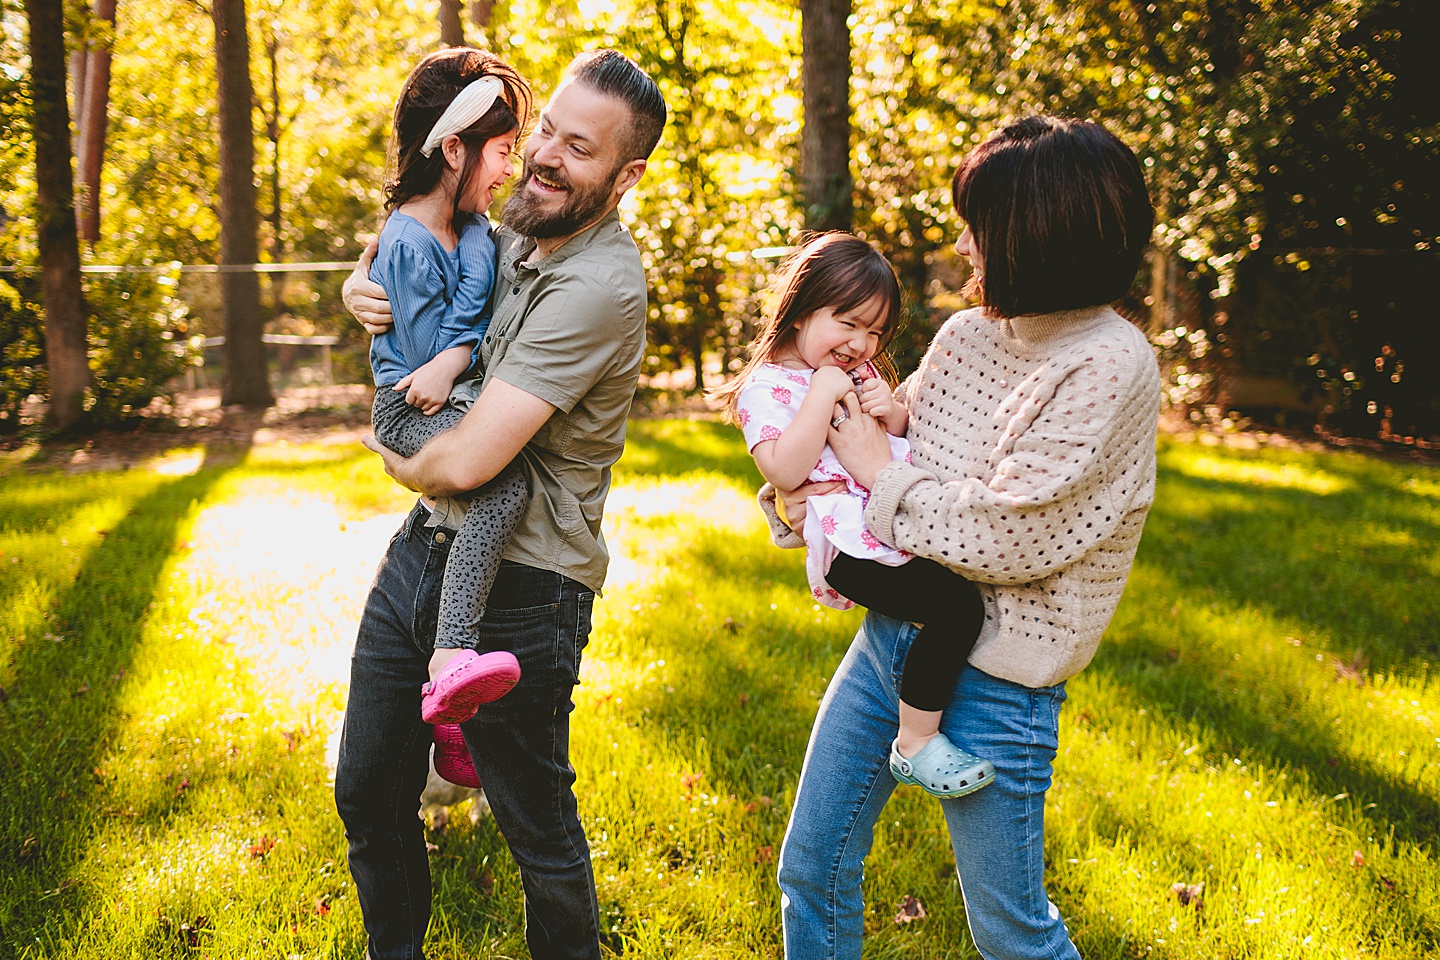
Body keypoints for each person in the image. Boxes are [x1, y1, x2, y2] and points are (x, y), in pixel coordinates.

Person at [764, 116, 1160, 959]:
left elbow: (1008, 534)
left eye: (979, 225)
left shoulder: (1109, 363)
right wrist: (804, 498)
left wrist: (873, 475)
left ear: (1037, 234)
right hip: (889, 643)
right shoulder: (967, 335)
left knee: (1012, 934)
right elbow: (891, 464)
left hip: (1000, 676)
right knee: (813, 867)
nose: (965, 244)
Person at [332, 49, 666, 960]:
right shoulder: (510, 229)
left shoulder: (599, 284)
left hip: (527, 583)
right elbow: (420, 256)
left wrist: (397, 459)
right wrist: (363, 287)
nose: (545, 156)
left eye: (579, 149)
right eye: (545, 130)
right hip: (424, 552)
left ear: (626, 175)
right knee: (366, 789)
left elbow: (473, 459)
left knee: (536, 832)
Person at [711, 232, 993, 799]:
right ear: (799, 311)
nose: (862, 343)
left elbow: (884, 447)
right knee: (957, 608)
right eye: (849, 323)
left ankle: (916, 727)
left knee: (955, 600)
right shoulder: (768, 388)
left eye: (875, 331)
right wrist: (820, 394)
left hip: (889, 523)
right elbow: (785, 472)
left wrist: (893, 413)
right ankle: (915, 744)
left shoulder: (856, 374)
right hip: (849, 548)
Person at [365, 49, 535, 789]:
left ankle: (451, 724)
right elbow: (425, 368)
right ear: (454, 149)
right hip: (411, 411)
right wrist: (459, 349)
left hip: (448, 396)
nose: (509, 169)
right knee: (500, 491)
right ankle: (448, 661)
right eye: (502, 152)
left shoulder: (468, 230)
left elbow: (479, 293)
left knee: (474, 512)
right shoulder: (409, 241)